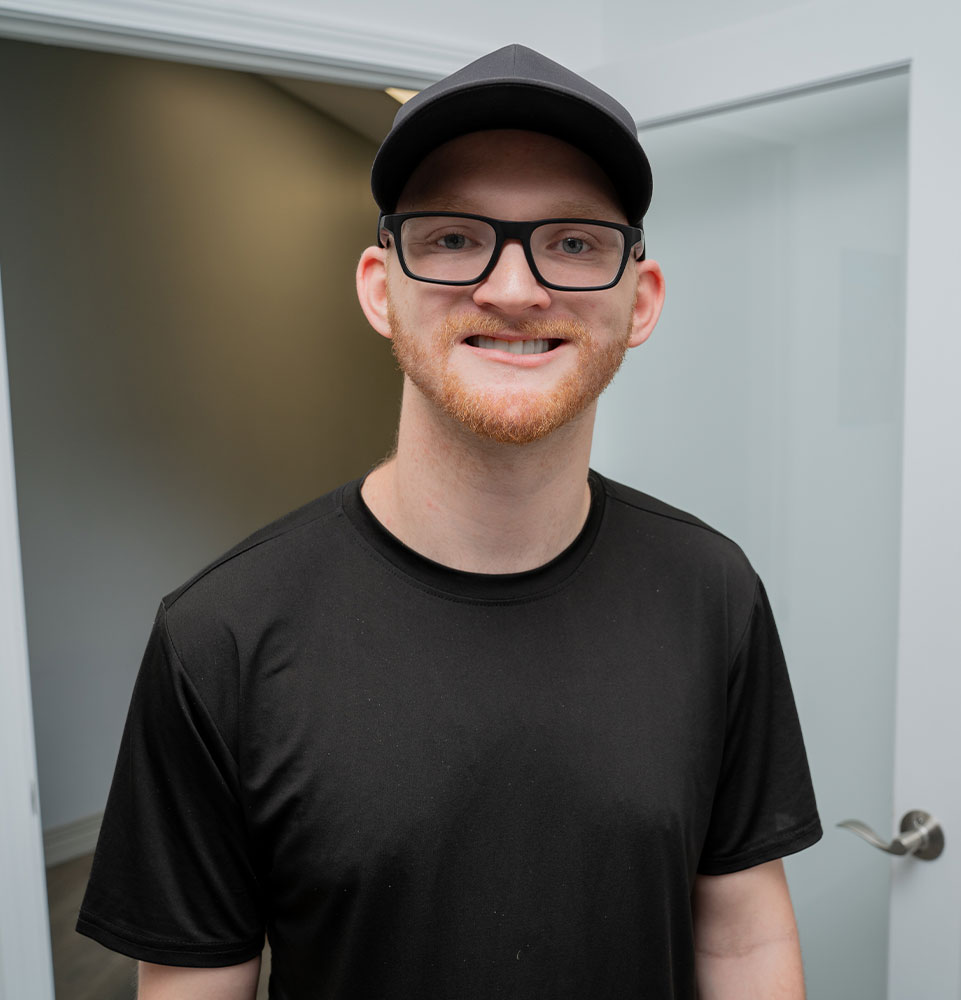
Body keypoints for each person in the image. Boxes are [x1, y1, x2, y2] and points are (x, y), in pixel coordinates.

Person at [78, 43, 821, 1000]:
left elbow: (743, 943)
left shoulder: (711, 592)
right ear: (379, 288)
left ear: (639, 302)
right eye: (453, 237)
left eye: (573, 241)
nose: (513, 289)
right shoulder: (220, 639)